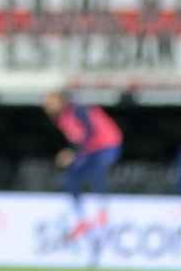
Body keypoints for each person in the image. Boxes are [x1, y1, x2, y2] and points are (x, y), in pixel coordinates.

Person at [43, 90, 123, 240]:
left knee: (96, 171)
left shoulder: (78, 111)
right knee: (70, 176)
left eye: (51, 102)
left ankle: (103, 211)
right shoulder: (62, 119)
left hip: (107, 145)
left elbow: (90, 131)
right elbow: (78, 139)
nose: (47, 105)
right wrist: (72, 153)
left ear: (61, 101)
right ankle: (81, 218)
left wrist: (73, 153)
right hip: (91, 149)